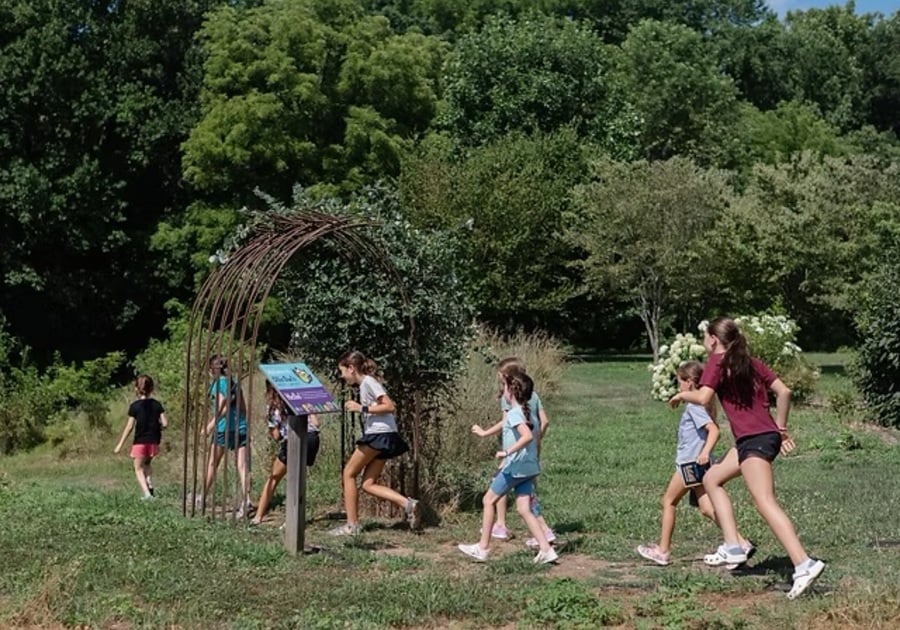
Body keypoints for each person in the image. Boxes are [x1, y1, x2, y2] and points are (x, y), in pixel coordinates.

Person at [669, 317, 825, 599]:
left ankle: (804, 564)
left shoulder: (717, 361)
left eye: (705, 337)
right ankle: (733, 546)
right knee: (712, 478)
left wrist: (681, 394)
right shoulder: (750, 361)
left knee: (764, 501)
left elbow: (704, 398)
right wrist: (780, 427)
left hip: (754, 440)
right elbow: (784, 391)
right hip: (753, 438)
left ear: (713, 339)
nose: (704, 342)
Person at [636, 361, 753, 566]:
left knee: (668, 502)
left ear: (689, 382)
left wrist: (705, 453)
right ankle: (740, 543)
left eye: (679, 381)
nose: (678, 386)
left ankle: (662, 551)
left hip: (690, 464)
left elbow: (714, 430)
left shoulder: (694, 406)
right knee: (707, 508)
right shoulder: (701, 404)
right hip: (696, 465)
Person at [459, 371, 559, 564]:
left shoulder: (515, 414)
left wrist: (507, 453)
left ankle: (483, 547)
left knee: (488, 500)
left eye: (504, 387)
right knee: (523, 508)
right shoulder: (526, 412)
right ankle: (546, 549)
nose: (502, 390)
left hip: (515, 468)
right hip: (530, 468)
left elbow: (526, 437)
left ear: (511, 391)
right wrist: (484, 432)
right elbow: (531, 435)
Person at [328, 350, 420, 536]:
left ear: (351, 368)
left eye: (342, 371)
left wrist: (360, 408)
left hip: (379, 435)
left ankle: (351, 526)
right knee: (368, 484)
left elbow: (389, 406)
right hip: (384, 436)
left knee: (348, 473)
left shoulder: (368, 382)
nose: (342, 376)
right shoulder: (366, 384)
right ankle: (408, 504)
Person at [489, 357, 555, 549]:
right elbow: (545, 422)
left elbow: (506, 423)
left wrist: (506, 449)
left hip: (514, 452)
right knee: (528, 493)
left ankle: (501, 524)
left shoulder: (507, 398)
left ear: (507, 378)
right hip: (531, 452)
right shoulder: (533, 395)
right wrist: (536, 441)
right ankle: (542, 531)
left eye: (500, 378)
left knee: (499, 485)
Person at [251, 381, 321, 526]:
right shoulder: (301, 400)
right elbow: (316, 423)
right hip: (312, 438)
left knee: (274, 478)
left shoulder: (272, 408)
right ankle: (294, 518)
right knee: (298, 478)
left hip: (293, 440)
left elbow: (276, 435)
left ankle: (259, 516)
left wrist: (276, 432)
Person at [203, 354, 251, 517]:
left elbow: (222, 407)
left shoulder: (218, 384)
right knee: (242, 466)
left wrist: (210, 426)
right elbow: (243, 407)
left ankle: (202, 496)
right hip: (241, 427)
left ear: (212, 370)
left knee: (212, 464)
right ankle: (247, 500)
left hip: (224, 428)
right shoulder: (234, 384)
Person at [114, 374, 168, 500]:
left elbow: (129, 427)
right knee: (147, 464)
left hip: (140, 442)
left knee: (138, 468)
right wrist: (156, 427)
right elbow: (165, 423)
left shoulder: (135, 406)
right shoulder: (157, 404)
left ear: (136, 389)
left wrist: (120, 444)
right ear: (152, 388)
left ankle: (147, 495)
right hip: (154, 442)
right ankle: (149, 483)